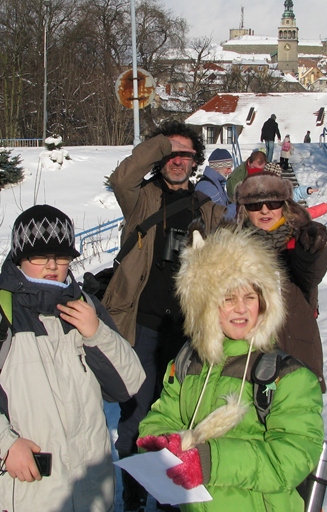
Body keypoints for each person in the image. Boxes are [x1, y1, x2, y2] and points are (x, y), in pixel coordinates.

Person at [0, 204, 146, 512]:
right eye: (39, 256)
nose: (52, 265)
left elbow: (128, 386)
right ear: (20, 257)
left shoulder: (85, 310)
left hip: (90, 492)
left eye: (61, 256)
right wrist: (5, 444)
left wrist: (97, 333)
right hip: (24, 492)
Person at [137, 227, 324, 511]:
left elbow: (291, 459)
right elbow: (161, 417)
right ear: (205, 305)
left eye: (250, 297)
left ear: (264, 303)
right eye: (228, 298)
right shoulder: (188, 363)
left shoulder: (288, 376)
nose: (241, 309)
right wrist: (161, 444)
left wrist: (210, 461)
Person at [103, 120, 226, 511]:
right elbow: (121, 176)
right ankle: (135, 494)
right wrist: (159, 143)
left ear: (195, 162)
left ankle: (170, 495)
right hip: (142, 323)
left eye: (186, 155)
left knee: (179, 413)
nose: (177, 160)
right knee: (137, 411)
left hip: (186, 329)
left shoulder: (207, 209)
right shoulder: (140, 198)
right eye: (170, 153)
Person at [235, 172, 327, 391]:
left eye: (273, 202)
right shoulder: (232, 248)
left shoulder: (297, 241)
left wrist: (314, 246)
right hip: (247, 356)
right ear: (243, 210)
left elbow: (311, 271)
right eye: (255, 205)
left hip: (295, 347)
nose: (265, 210)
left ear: (284, 204)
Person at [194, 148, 236, 220]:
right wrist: (238, 207)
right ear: (217, 168)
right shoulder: (207, 187)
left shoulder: (217, 183)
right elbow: (218, 216)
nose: (230, 171)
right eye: (228, 168)